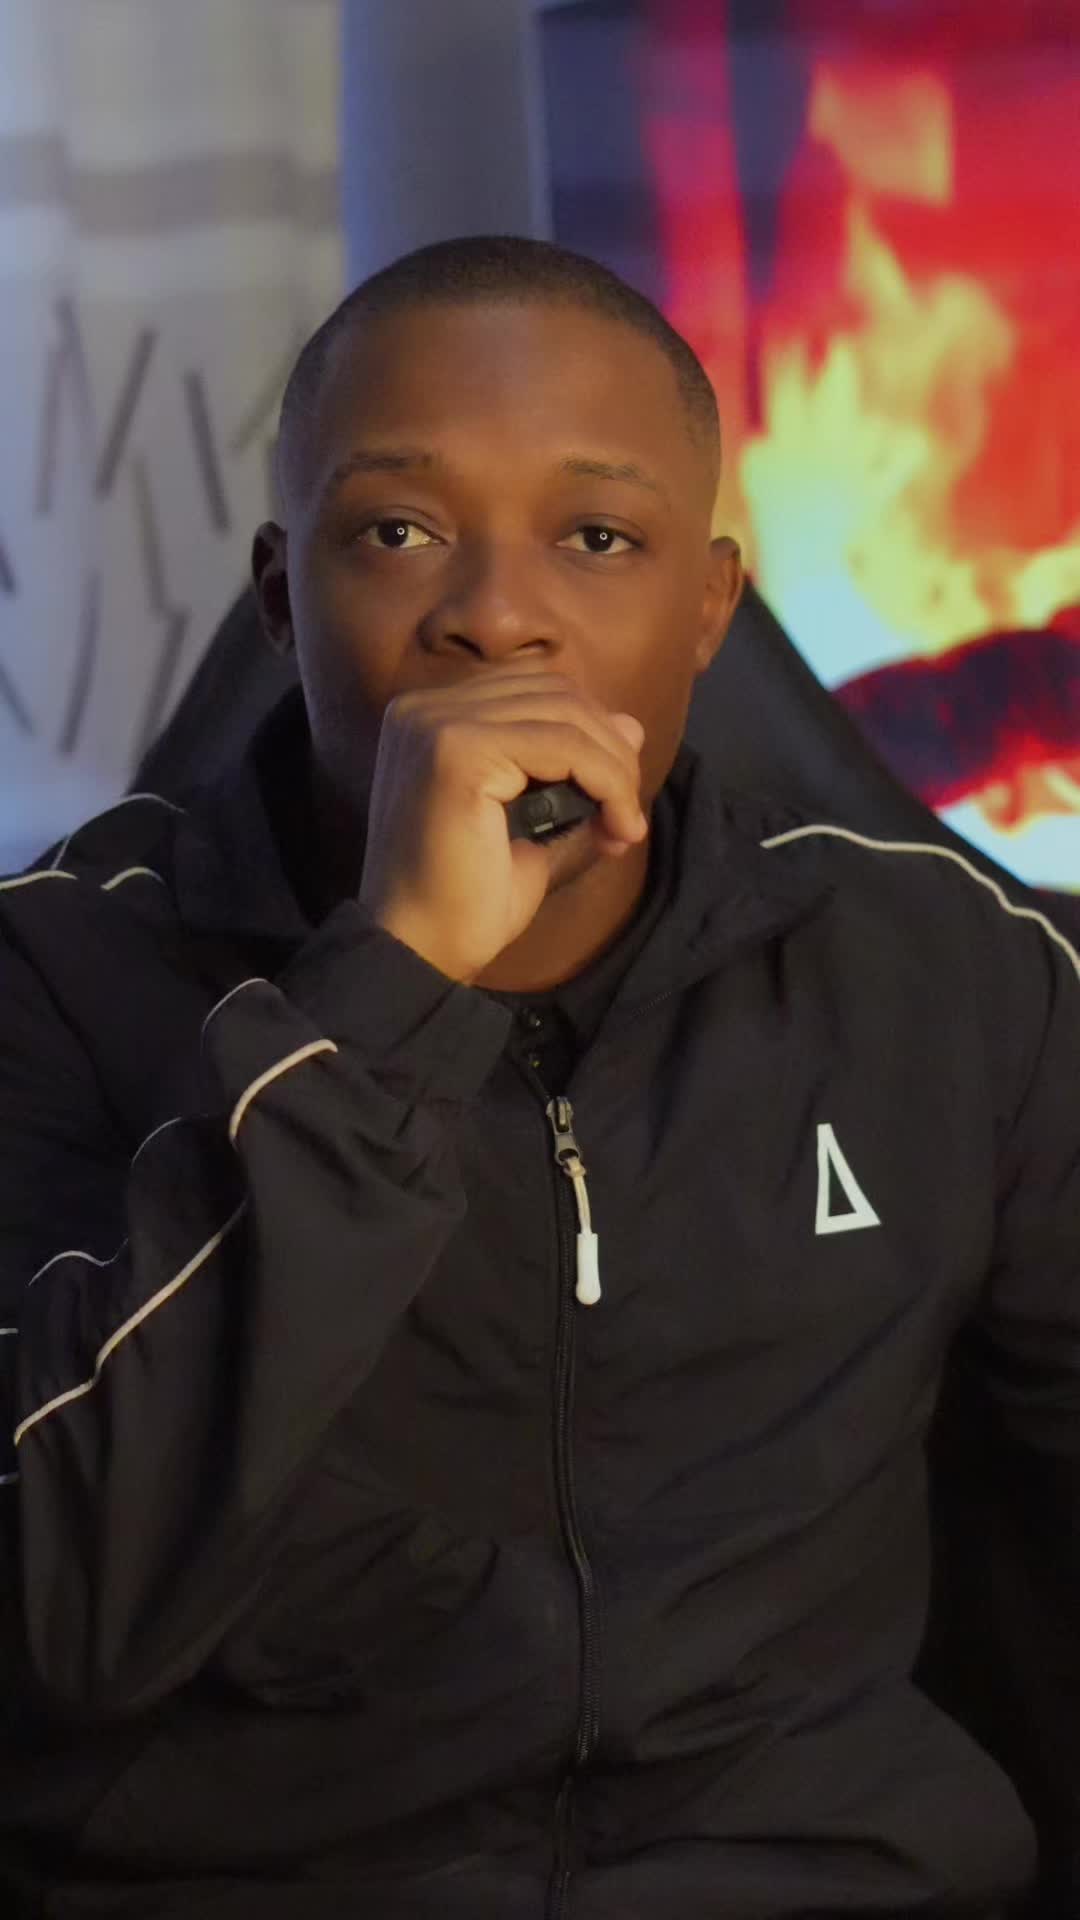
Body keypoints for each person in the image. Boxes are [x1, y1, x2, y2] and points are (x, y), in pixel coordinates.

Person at [0, 235, 1076, 1920]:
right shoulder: (55, 977)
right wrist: (392, 986)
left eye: (598, 539)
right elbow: (56, 1617)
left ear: (708, 607)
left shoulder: (948, 973)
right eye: (398, 532)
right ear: (282, 602)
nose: (497, 616)